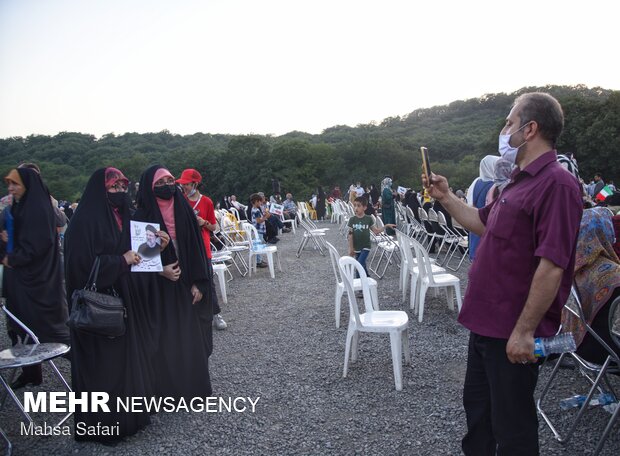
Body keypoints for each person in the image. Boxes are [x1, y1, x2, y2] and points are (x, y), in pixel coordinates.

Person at [424, 92, 583, 455]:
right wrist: (446, 197)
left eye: (508, 122)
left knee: (513, 430)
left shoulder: (556, 184)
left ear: (529, 130)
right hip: (485, 325)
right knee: (479, 418)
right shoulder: (517, 180)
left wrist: (525, 331)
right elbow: (482, 222)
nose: (503, 130)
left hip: (511, 332)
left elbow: (552, 265)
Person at [64, 168, 162, 442]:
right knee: (103, 366)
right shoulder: (84, 222)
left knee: (125, 359)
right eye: (114, 188)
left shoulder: (123, 216)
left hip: (124, 298)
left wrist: (157, 243)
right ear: (100, 190)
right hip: (98, 305)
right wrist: (120, 261)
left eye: (123, 187)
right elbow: (78, 267)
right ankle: (103, 425)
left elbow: (141, 251)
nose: (120, 193)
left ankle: (131, 418)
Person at [134, 165, 214, 399]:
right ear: (150, 188)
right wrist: (161, 270)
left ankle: (193, 390)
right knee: (165, 338)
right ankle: (167, 392)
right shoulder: (142, 216)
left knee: (191, 337)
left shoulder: (183, 209)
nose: (167, 186)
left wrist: (200, 282)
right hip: (160, 289)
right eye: (160, 183)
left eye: (170, 181)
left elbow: (198, 249)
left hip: (188, 282)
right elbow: (139, 259)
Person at [1, 168, 70, 389]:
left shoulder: (38, 210)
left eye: (16, 184)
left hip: (38, 283)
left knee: (50, 331)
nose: (11, 188)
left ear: (28, 186)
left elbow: (35, 247)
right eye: (8, 184)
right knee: (22, 328)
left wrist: (9, 259)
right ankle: (31, 373)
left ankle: (90, 369)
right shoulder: (17, 207)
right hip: (20, 281)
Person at [561, 207, 620, 364]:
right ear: (606, 234)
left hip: (575, 343)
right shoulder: (614, 275)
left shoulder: (570, 267)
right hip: (604, 350)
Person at [176, 168, 227, 330]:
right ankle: (191, 316)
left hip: (203, 248)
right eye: (182, 184)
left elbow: (214, 227)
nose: (184, 187)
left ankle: (215, 314)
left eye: (187, 184)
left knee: (207, 281)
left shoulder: (207, 202)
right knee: (185, 281)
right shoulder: (179, 200)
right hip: (184, 247)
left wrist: (203, 222)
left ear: (195, 184)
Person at [347, 196, 396, 276]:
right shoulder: (352, 220)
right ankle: (367, 278)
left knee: (358, 265)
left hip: (366, 246)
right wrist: (351, 248)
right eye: (355, 205)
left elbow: (376, 231)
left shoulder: (368, 219)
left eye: (358, 206)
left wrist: (386, 226)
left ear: (364, 207)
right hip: (356, 247)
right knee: (362, 265)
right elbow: (350, 235)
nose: (356, 208)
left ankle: (359, 284)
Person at [466, 155, 499, 261]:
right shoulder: (495, 186)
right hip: (486, 225)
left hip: (474, 223)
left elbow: (469, 202)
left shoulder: (475, 182)